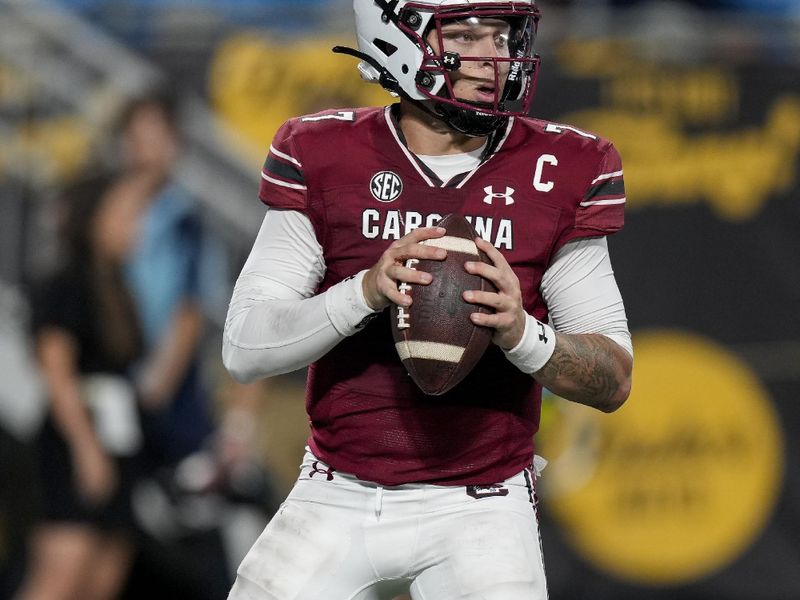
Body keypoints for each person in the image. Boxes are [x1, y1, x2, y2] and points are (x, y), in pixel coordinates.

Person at [222, 1, 633, 598]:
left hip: (483, 503)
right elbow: (243, 347)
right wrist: (365, 291)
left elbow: (613, 378)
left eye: (501, 34)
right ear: (395, 39)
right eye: (466, 34)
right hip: (337, 487)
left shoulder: (560, 166)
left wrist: (520, 332)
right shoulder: (325, 152)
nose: (494, 56)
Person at [16, 172, 149, 600]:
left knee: (103, 579)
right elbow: (56, 370)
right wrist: (85, 446)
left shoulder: (119, 286)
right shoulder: (67, 281)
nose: (135, 224)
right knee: (61, 576)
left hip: (120, 444)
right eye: (125, 213)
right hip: (77, 442)